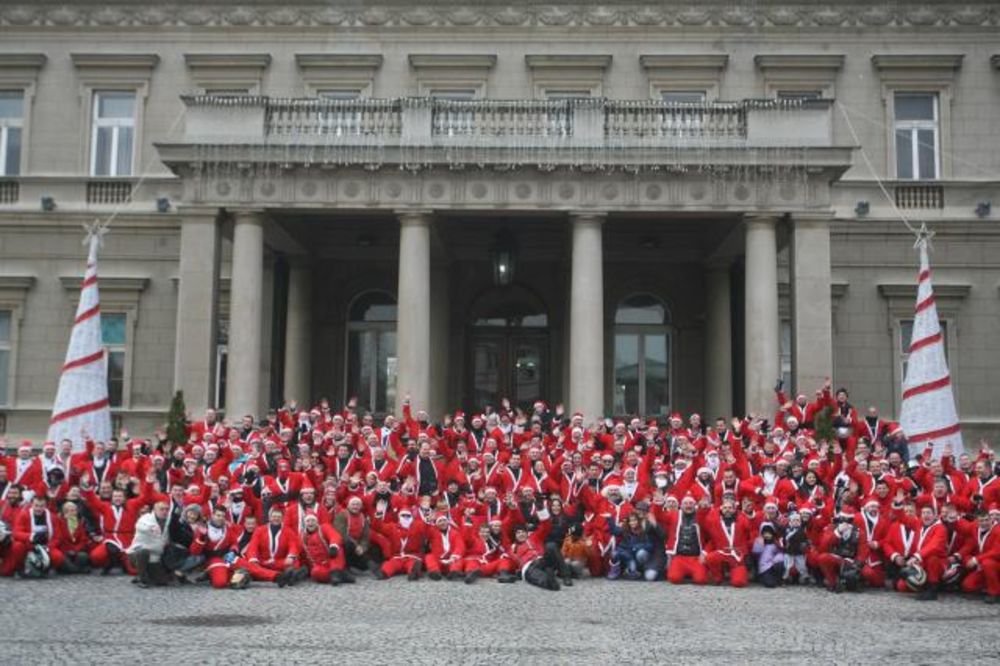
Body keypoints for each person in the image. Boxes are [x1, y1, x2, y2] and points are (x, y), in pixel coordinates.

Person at [127, 501, 170, 588]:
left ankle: (145, 574)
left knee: (162, 582)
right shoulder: (145, 518)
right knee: (143, 552)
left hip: (155, 556)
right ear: (154, 510)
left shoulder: (168, 520)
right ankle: (141, 578)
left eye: (166, 509)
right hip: (137, 553)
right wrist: (149, 528)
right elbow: (139, 526)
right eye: (162, 509)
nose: (165, 511)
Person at [752, 523, 785, 588]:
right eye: (765, 533)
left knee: (780, 563)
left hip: (773, 564)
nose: (767, 535)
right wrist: (760, 544)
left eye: (769, 533)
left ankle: (779, 579)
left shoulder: (775, 542)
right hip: (764, 567)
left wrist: (776, 559)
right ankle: (764, 578)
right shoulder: (759, 541)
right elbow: (756, 552)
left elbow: (780, 552)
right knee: (770, 584)